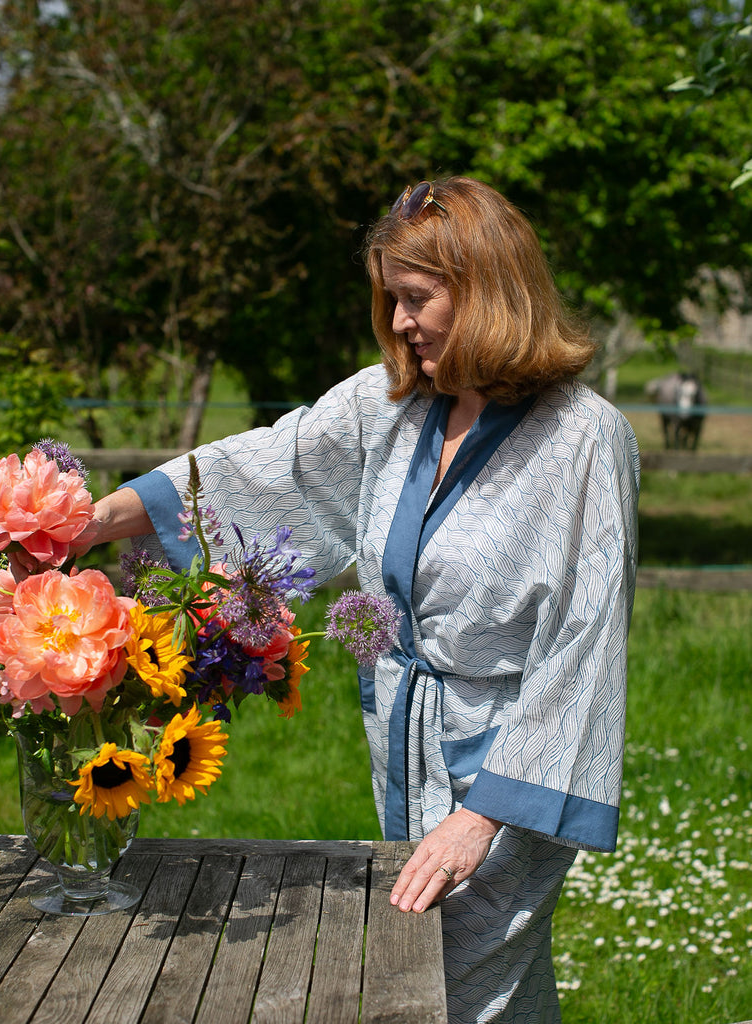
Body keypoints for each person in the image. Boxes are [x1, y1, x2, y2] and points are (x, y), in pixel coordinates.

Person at [71, 176, 640, 1023]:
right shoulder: (393, 405)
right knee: (461, 981)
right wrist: (85, 523)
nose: (401, 323)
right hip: (405, 749)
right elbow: (265, 467)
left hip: (509, 774)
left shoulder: (584, 439)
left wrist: (481, 819)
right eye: (392, 300)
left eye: (417, 299)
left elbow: (583, 645)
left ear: (487, 289)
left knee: (461, 987)